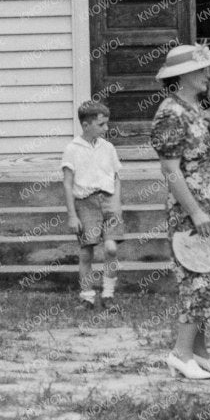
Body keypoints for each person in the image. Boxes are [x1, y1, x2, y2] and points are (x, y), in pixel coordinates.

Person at [151, 44, 210, 378]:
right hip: (192, 211)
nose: (207, 75)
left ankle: (199, 352)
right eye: (201, 70)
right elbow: (171, 170)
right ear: (183, 75)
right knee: (197, 280)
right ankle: (180, 353)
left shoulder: (193, 108)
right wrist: (196, 212)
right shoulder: (171, 113)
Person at [61, 100, 123, 309]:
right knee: (86, 251)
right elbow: (68, 183)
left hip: (109, 200)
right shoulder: (72, 149)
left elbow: (116, 177)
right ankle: (87, 296)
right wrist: (72, 215)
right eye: (101, 124)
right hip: (86, 203)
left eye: (106, 123)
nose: (106, 128)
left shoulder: (108, 147)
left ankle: (108, 295)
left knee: (111, 248)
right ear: (86, 125)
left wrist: (116, 203)